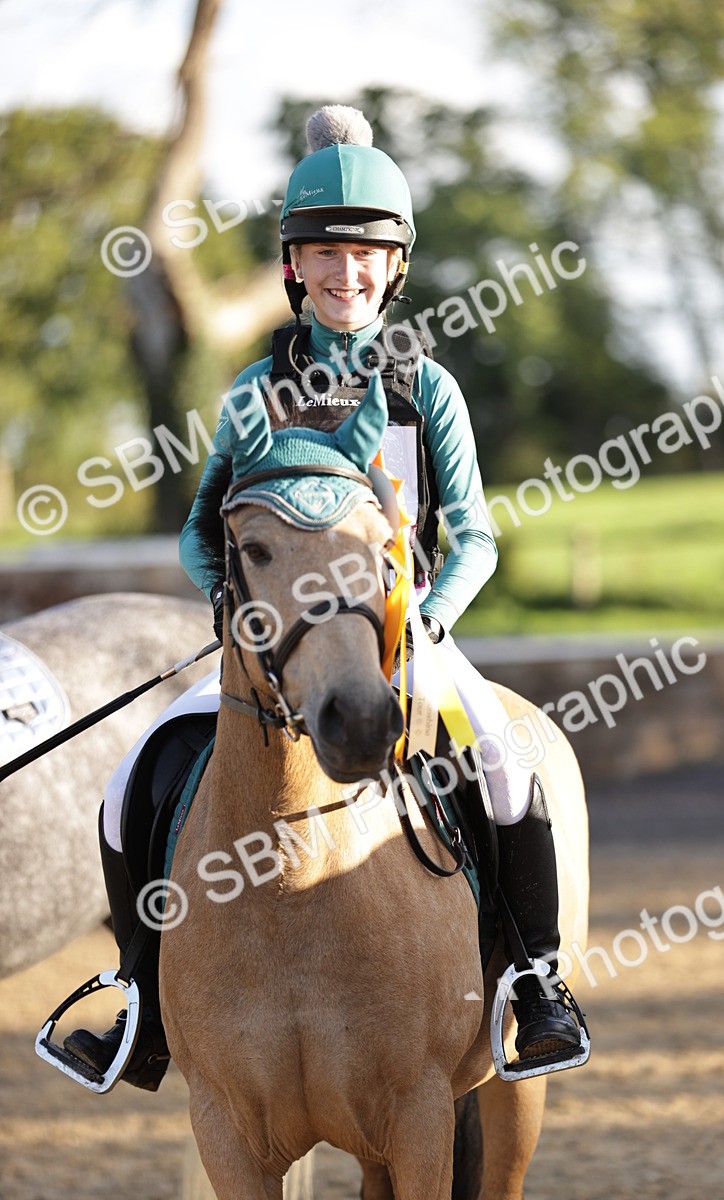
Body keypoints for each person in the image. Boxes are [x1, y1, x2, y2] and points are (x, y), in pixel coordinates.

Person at [64, 106, 584, 1090]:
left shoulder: (423, 388)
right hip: (273, 646)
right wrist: (236, 610)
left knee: (506, 762)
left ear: (393, 269)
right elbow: (197, 529)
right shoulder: (254, 393)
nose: (347, 275)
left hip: (402, 633)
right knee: (129, 777)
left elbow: (471, 534)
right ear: (292, 265)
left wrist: (426, 622)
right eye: (326, 256)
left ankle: (533, 983)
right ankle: (141, 1000)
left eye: (367, 257)